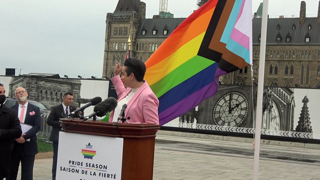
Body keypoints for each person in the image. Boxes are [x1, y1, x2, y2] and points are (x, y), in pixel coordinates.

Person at [109, 58, 159, 124]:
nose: (121, 77)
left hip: (127, 134)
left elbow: (152, 124)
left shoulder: (147, 96)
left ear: (132, 76)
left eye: (123, 74)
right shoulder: (129, 90)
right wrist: (116, 75)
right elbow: (121, 91)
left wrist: (129, 125)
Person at [8, 87, 41, 180]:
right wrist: (16, 137)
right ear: (15, 96)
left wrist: (25, 136)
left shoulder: (35, 109)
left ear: (27, 93)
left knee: (27, 174)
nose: (21, 94)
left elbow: (37, 126)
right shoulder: (11, 110)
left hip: (29, 145)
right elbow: (8, 126)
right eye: (18, 93)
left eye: (22, 92)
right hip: (14, 145)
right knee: (11, 173)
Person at [47, 92, 76, 180]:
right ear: (64, 99)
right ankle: (55, 176)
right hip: (58, 137)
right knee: (57, 157)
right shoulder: (56, 109)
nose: (71, 101)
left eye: (72, 99)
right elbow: (49, 121)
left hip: (69, 138)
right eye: (69, 99)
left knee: (68, 157)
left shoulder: (74, 109)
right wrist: (62, 124)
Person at [0, 84, 22, 180]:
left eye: (4, 92)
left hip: (2, 156)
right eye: (0, 92)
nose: (2, 95)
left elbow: (17, 131)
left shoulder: (10, 113)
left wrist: (1, 133)